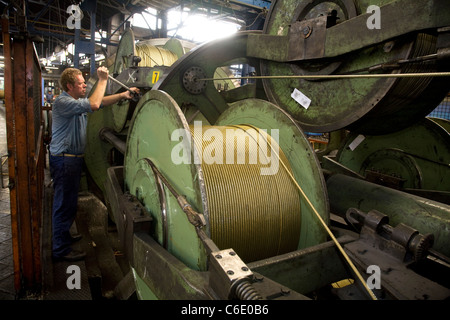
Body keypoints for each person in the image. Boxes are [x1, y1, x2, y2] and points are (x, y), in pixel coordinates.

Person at [50, 66, 139, 261]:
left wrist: (123, 95)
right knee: (63, 204)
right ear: (69, 86)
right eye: (81, 84)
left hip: (71, 161)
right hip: (64, 161)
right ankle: (60, 250)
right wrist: (102, 80)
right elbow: (96, 104)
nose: (84, 86)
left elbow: (101, 101)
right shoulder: (63, 102)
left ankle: (64, 237)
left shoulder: (76, 102)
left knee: (69, 203)